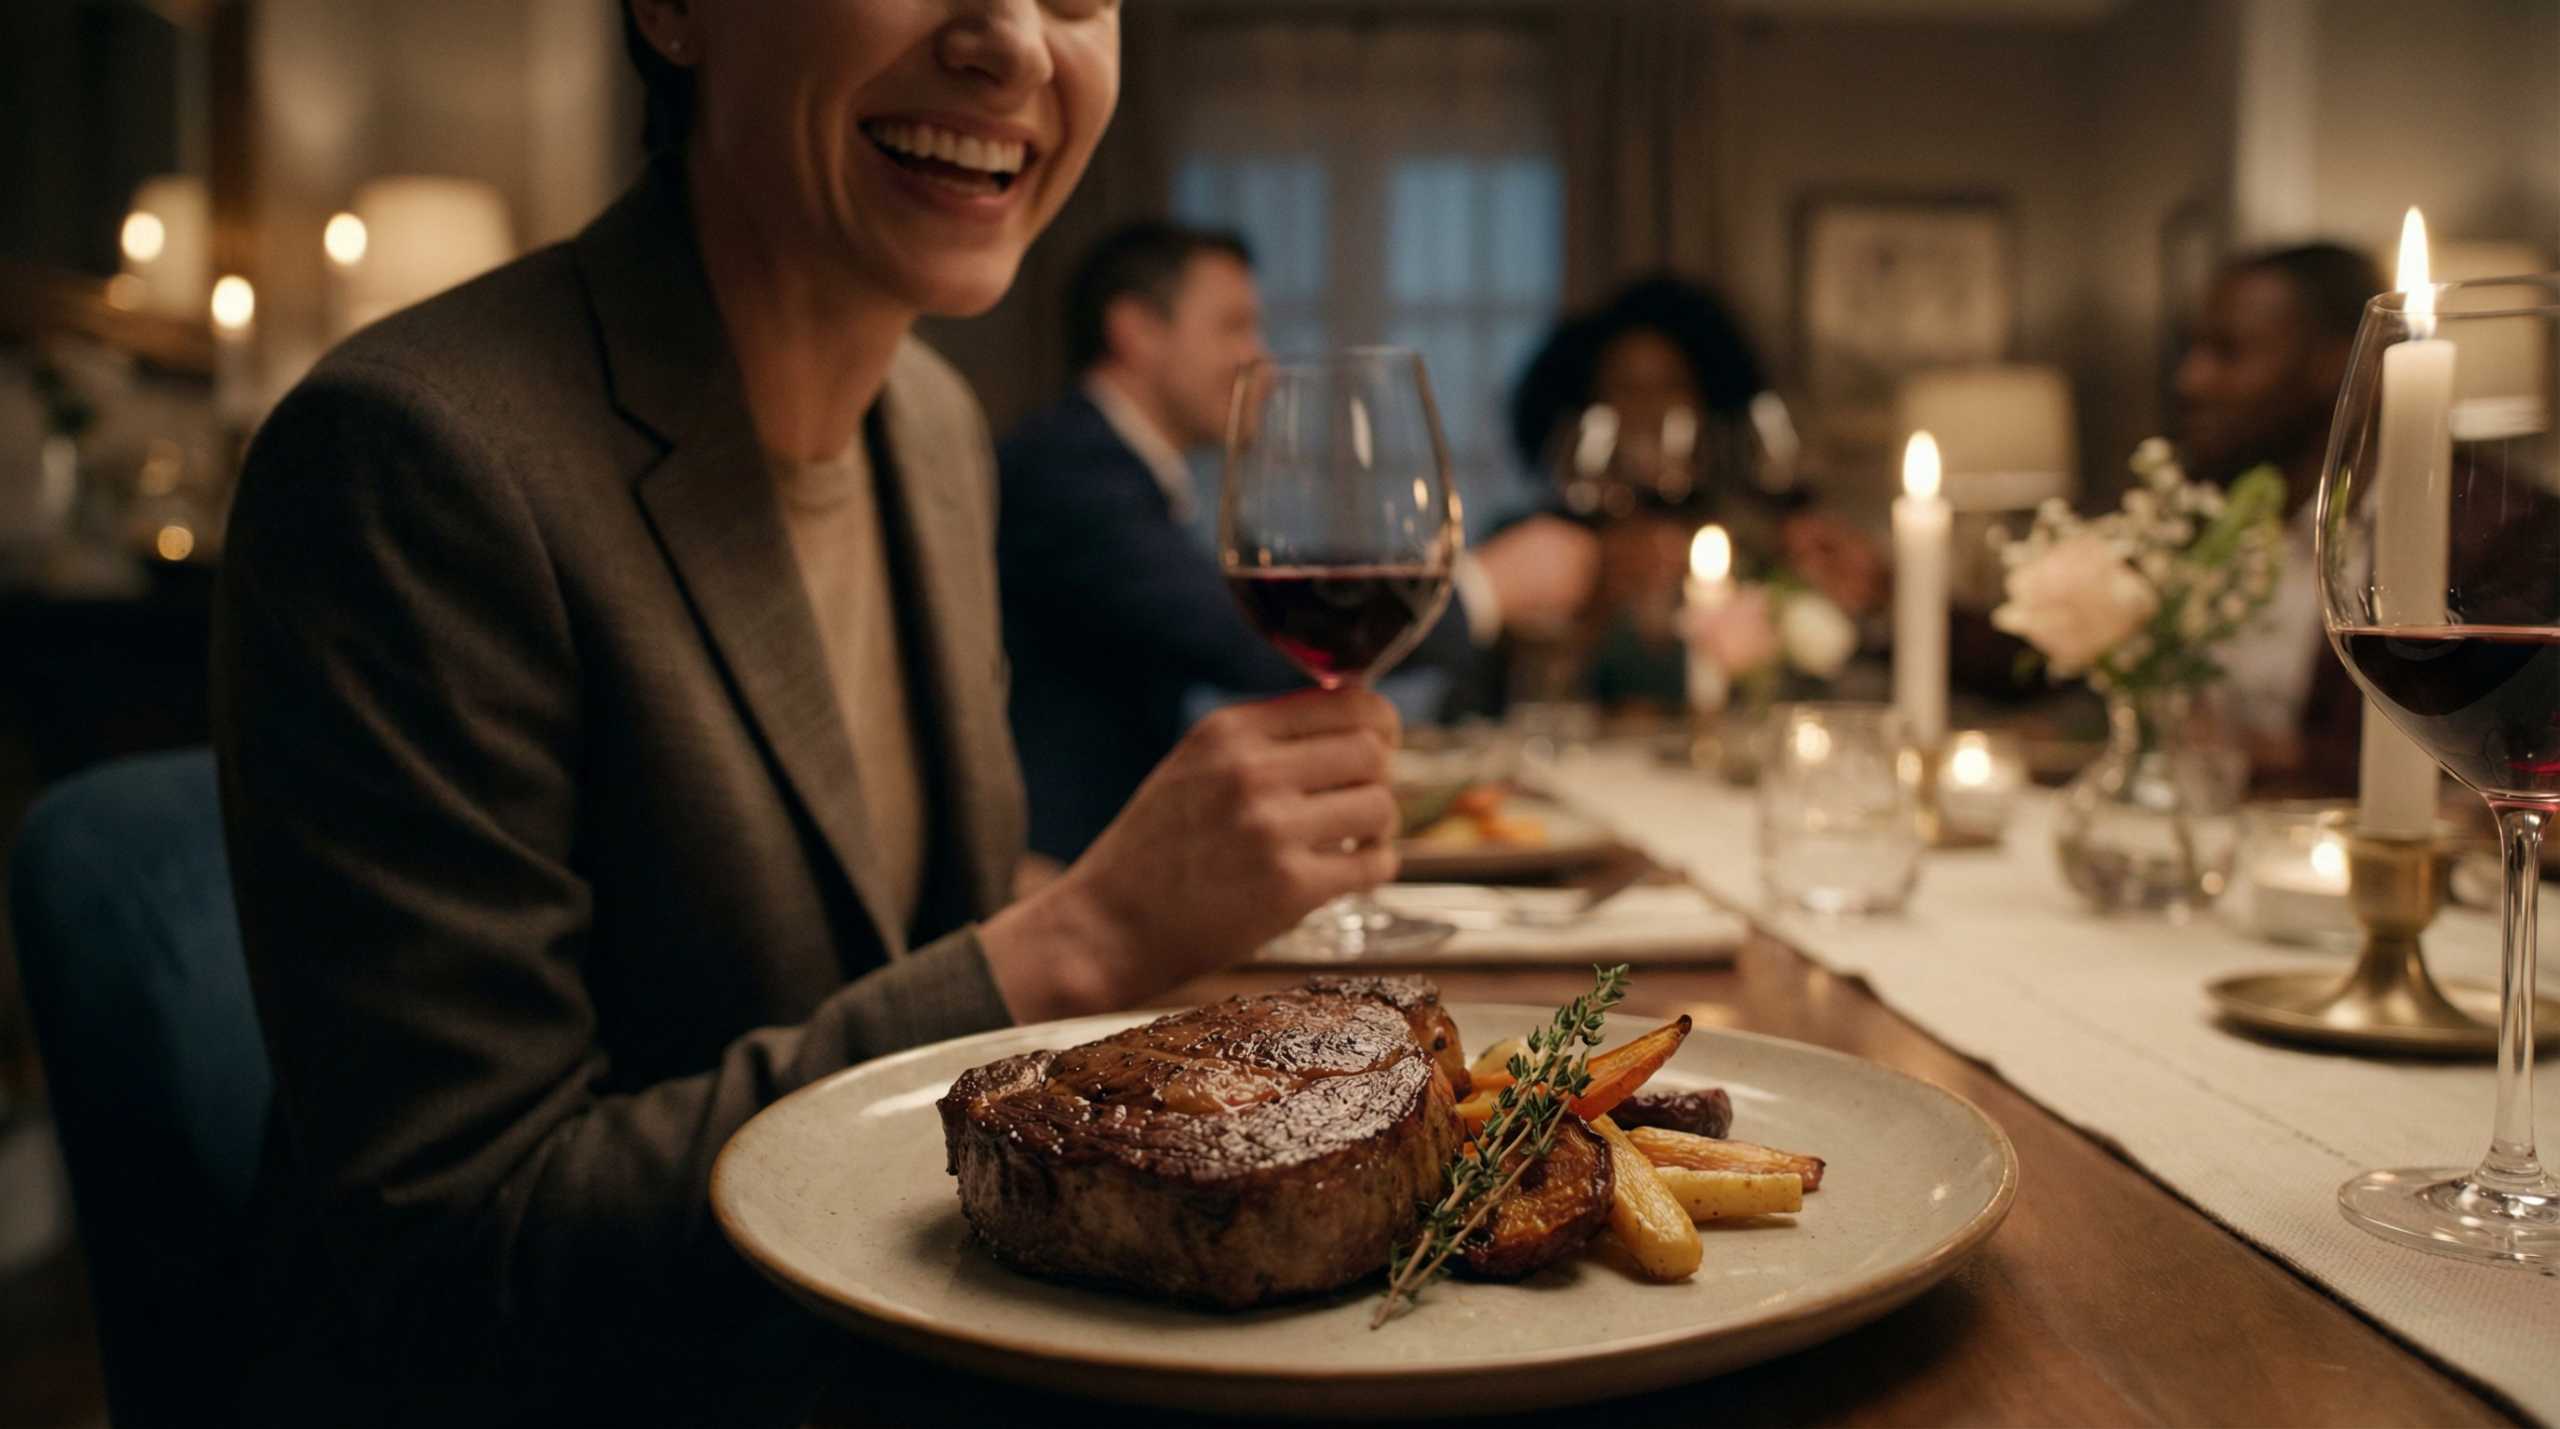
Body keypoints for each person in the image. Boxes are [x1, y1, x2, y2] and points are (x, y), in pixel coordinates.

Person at [212, 6, 1408, 1423]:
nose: (1015, 44)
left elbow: (904, 944)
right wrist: (1081, 937)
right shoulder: (412, 457)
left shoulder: (936, 430)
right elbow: (472, 1253)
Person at [998, 221, 1598, 866]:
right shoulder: (1069, 468)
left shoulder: (1110, 466)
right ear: (1136, 330)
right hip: (1051, 876)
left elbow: (1286, 593)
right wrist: (1485, 588)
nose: (1262, 359)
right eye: (1234, 326)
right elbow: (1243, 643)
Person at [1507, 277, 1885, 708]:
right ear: (1586, 404)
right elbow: (1491, 688)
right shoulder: (1531, 545)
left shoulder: (1759, 547)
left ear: (1708, 400)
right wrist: (1589, 605)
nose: (1652, 409)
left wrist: (1866, 597)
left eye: (1673, 385)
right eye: (1627, 388)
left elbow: (1821, 685)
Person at [2172, 243, 2383, 790]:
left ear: (2330, 365)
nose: (2191, 380)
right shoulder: (2203, 500)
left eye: (2229, 352)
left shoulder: (2481, 533)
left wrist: (2285, 761)